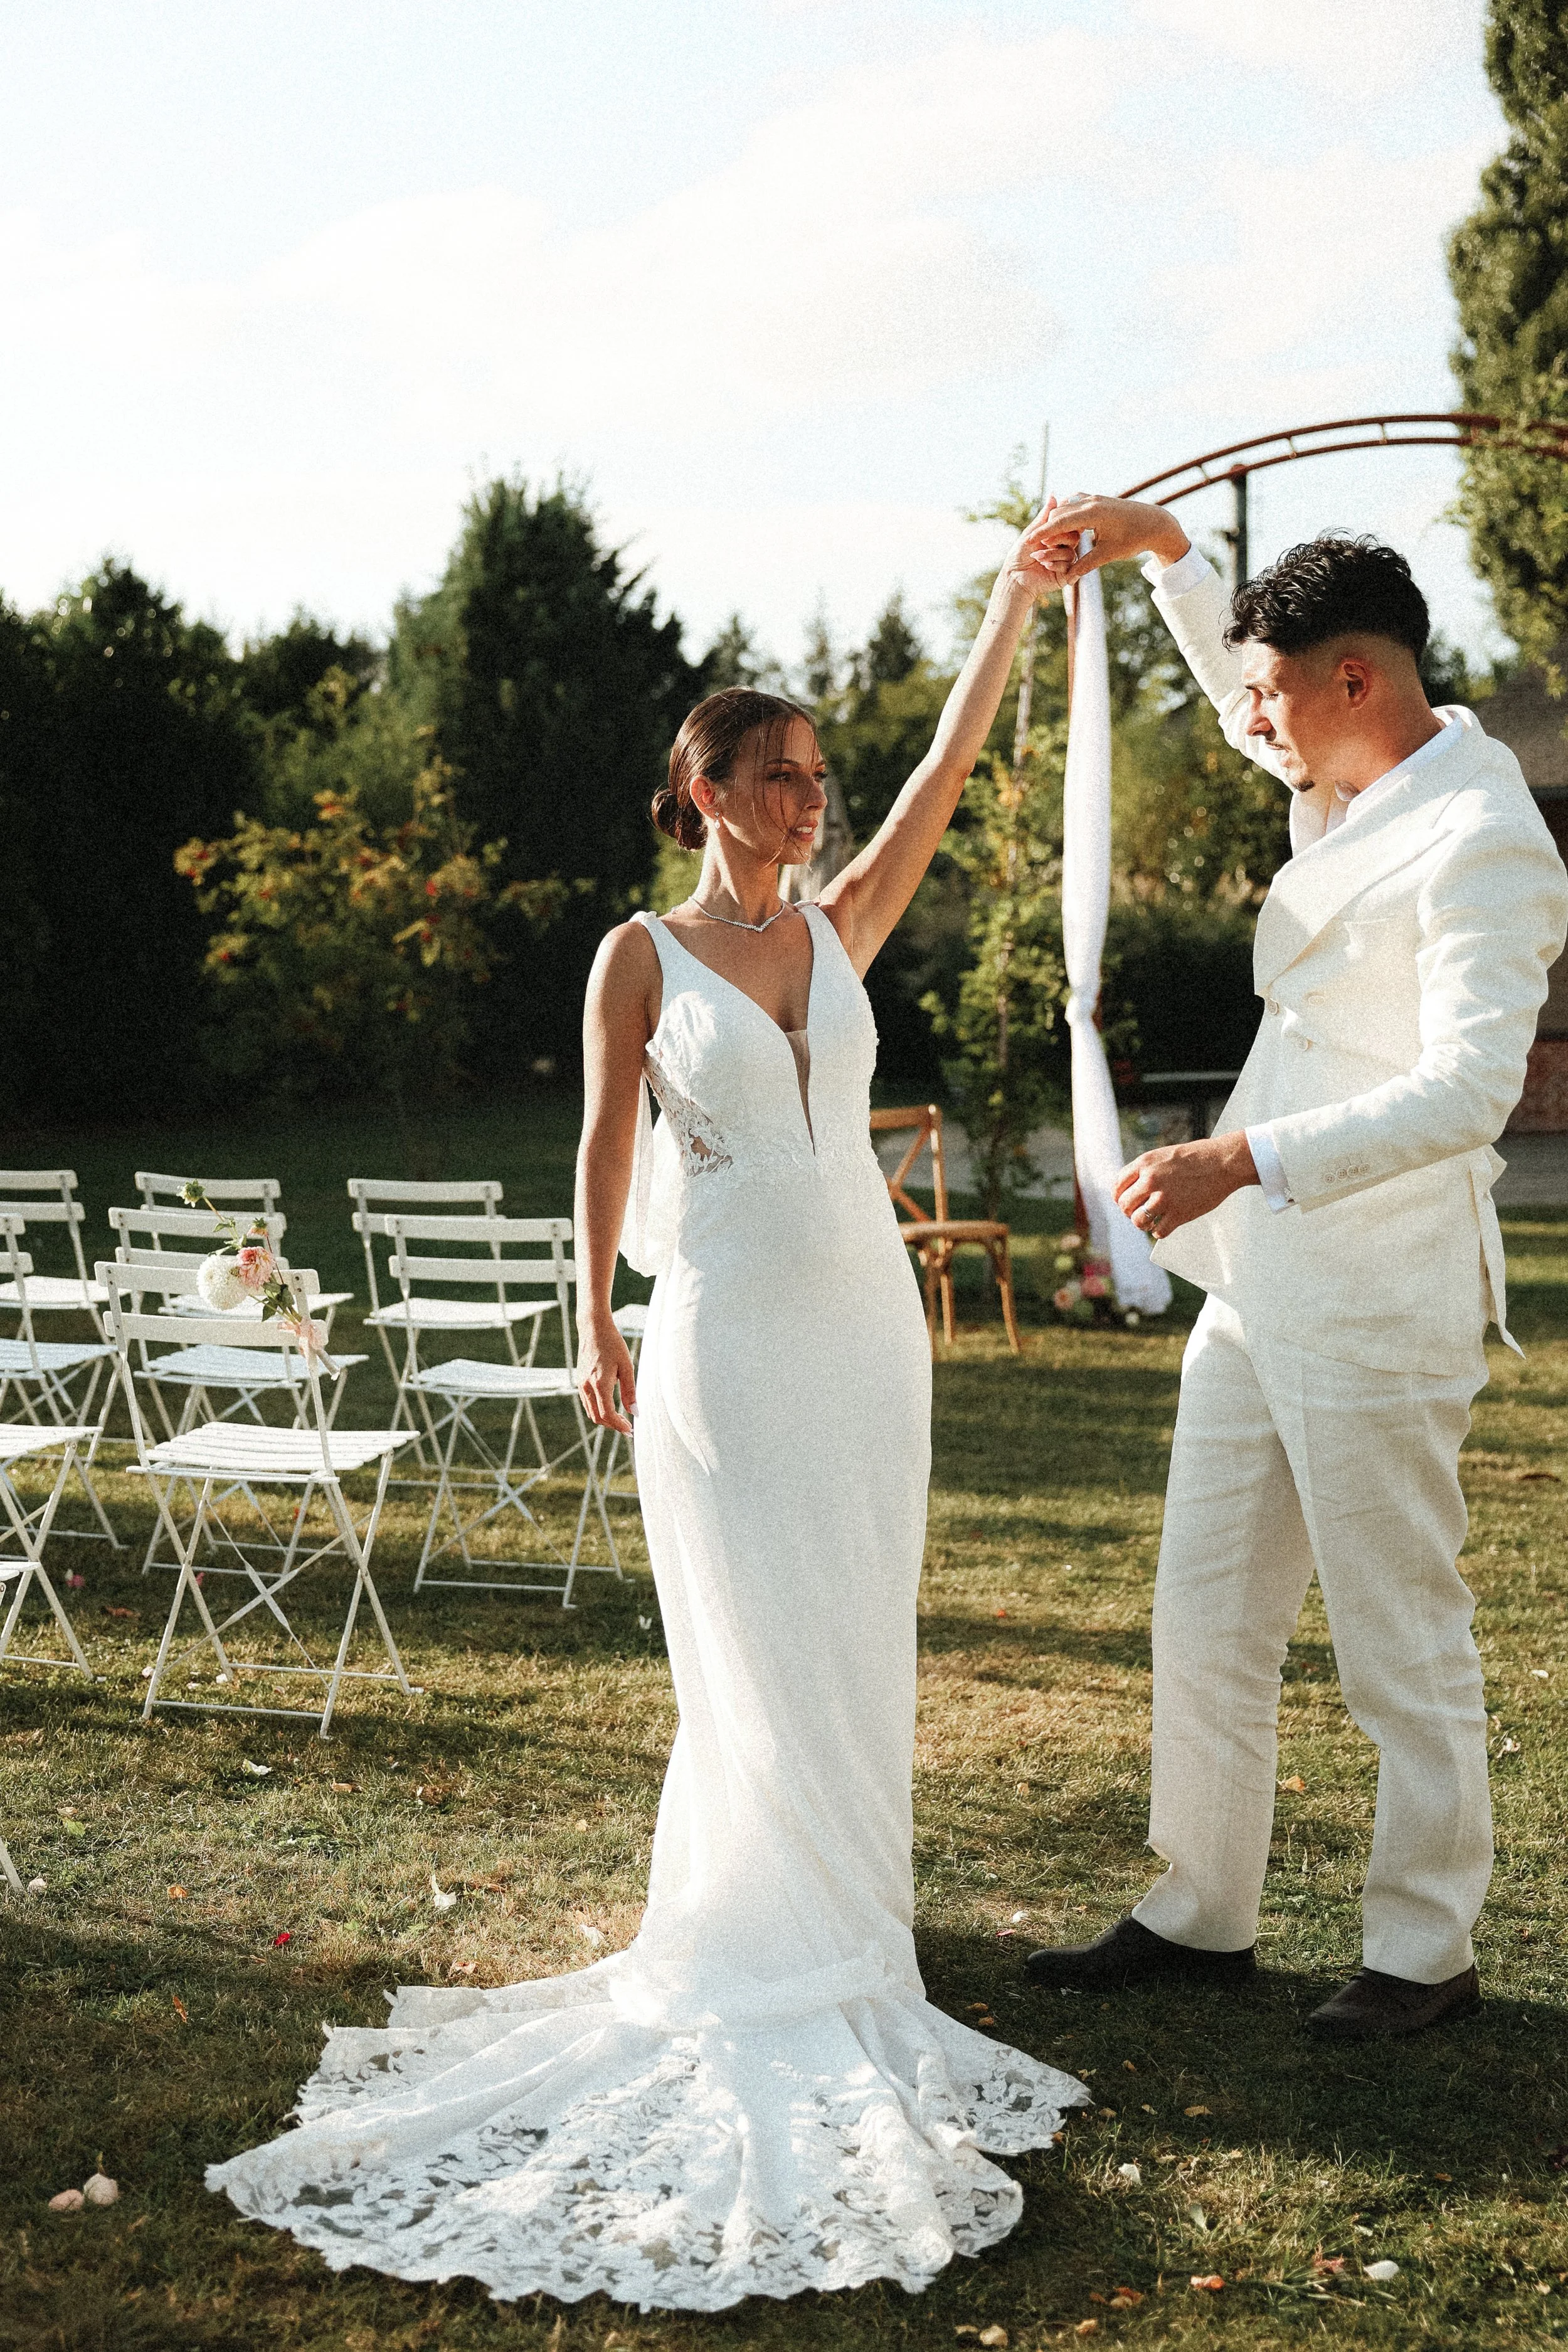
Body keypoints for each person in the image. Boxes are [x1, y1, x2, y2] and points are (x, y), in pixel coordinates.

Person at [207, 507, 1087, 2311]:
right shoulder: (638, 953)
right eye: (779, 778)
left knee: (851, 1638)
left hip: (866, 1331)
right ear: (702, 790)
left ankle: (857, 1940)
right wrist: (587, 1309)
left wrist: (1012, 597)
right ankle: (768, 1943)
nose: (815, 801)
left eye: (818, 777)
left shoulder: (843, 924)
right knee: (750, 1645)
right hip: (724, 1338)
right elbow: (602, 1143)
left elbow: (942, 766)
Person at [1021, 497, 1568, 2039]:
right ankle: (1200, 1911)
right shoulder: (1339, 778)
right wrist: (1160, 550)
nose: (1245, 723)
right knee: (1203, 1615)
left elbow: (1471, 1091)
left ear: (1352, 681)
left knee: (1398, 1634)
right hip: (1260, 1290)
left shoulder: (1477, 834)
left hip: (1381, 1293)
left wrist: (1239, 1156)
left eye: (1269, 695)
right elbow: (1230, 674)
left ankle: (1420, 1951)